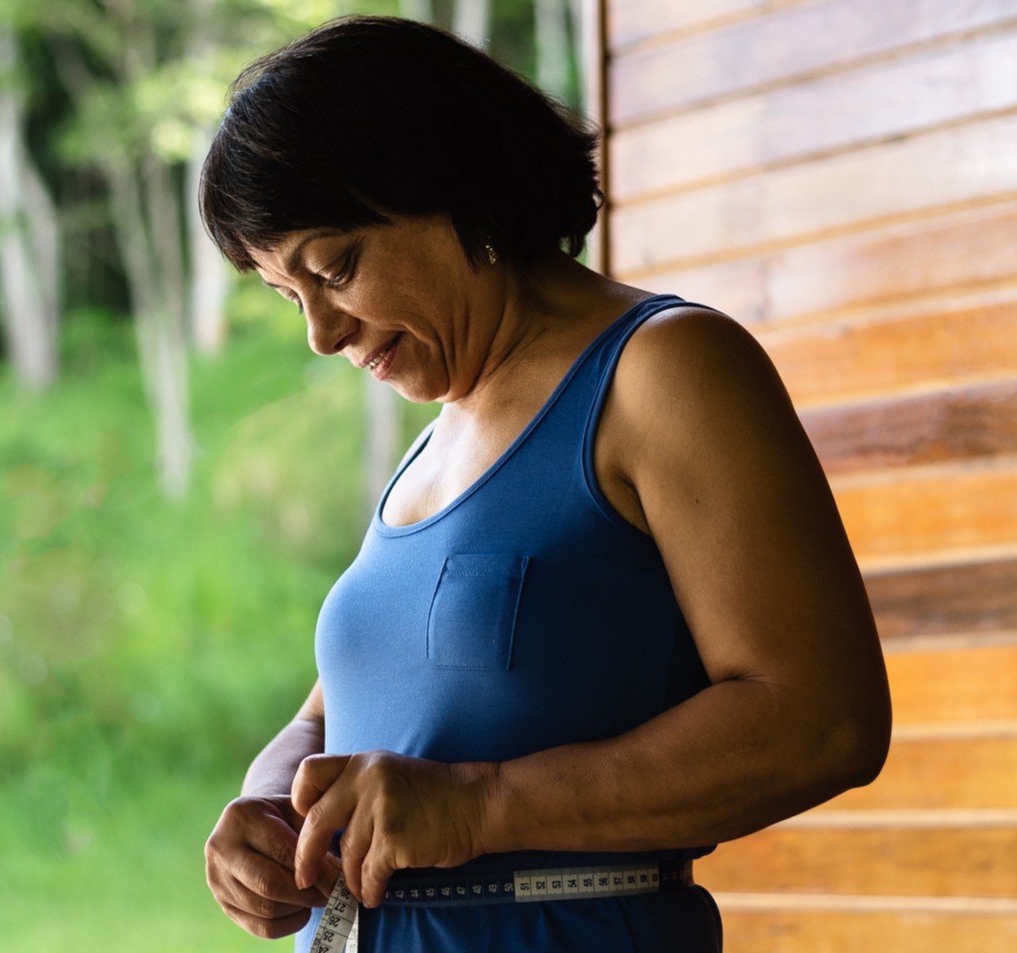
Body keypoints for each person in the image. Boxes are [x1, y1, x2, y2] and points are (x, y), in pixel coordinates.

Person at [199, 16, 890, 952]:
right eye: (290, 295)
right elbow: (343, 706)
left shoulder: (663, 370)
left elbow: (823, 718)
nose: (321, 334)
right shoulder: (439, 437)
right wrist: (269, 802)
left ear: (450, 185)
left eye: (337, 268)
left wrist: (482, 806)